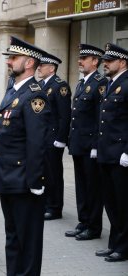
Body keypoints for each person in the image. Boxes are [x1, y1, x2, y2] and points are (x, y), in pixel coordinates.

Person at [0, 36, 50, 276]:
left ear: (28, 63)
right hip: (8, 176)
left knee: (28, 240)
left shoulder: (34, 96)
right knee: (13, 236)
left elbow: (37, 143)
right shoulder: (13, 90)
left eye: (13, 58)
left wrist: (36, 181)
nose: (9, 62)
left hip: (24, 180)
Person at [66, 44, 106, 241]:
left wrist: (96, 146)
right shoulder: (82, 83)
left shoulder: (100, 83)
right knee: (81, 186)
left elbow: (101, 119)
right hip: (79, 144)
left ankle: (93, 226)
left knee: (93, 188)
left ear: (95, 61)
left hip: (90, 146)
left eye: (85, 58)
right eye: (79, 57)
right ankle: (83, 221)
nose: (80, 61)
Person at [95, 43, 128, 262]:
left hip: (121, 155)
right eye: (104, 60)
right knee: (111, 202)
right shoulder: (111, 84)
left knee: (123, 203)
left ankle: (123, 247)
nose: (104, 64)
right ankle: (114, 242)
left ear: (122, 62)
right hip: (107, 152)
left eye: (109, 60)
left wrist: (127, 150)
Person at [37, 52, 71, 220]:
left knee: (54, 174)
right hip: (42, 137)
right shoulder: (40, 85)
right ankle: (45, 203)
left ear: (52, 68)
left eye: (42, 66)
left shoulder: (60, 86)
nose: (39, 68)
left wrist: (61, 139)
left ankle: (55, 207)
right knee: (43, 172)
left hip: (53, 138)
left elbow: (65, 116)